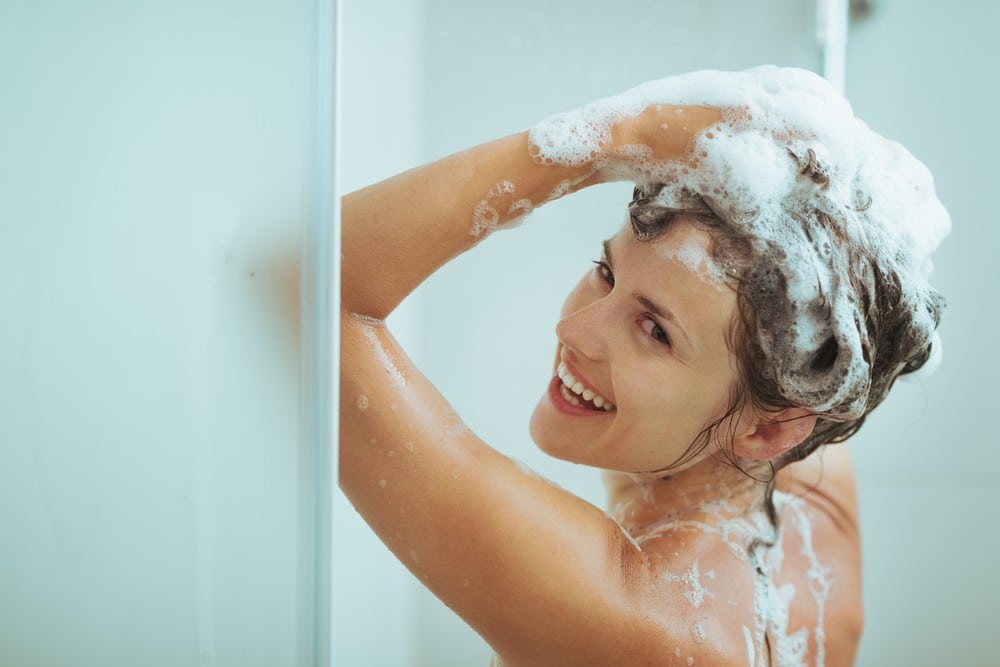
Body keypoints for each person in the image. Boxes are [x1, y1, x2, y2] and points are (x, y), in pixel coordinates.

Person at [339, 66, 948, 666]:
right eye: (606, 272)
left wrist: (614, 137)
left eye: (655, 331)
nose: (572, 330)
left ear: (769, 430)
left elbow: (321, 292)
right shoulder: (815, 510)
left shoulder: (634, 616)